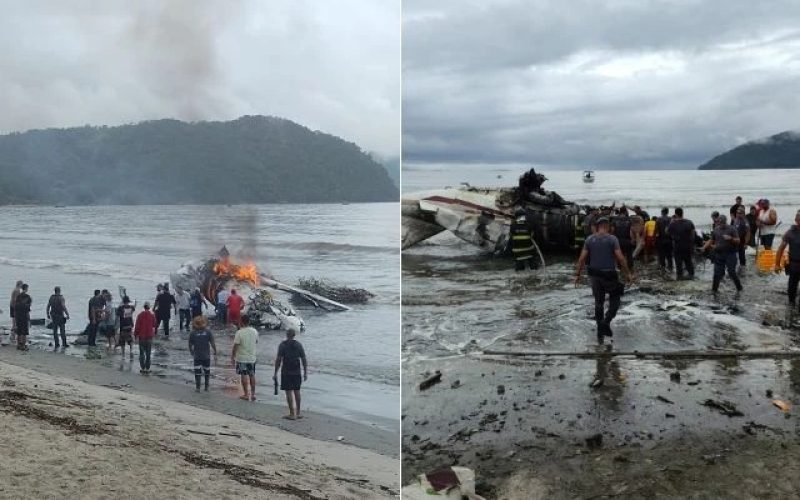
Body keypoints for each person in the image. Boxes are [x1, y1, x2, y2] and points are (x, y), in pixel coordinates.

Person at [574, 217, 635, 344]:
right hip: (609, 274)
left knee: (599, 302)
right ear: (607, 226)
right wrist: (628, 273)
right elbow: (620, 258)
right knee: (616, 298)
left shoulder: (589, 239)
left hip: (594, 275)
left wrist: (577, 275)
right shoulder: (612, 239)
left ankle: (599, 332)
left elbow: (581, 259)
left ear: (597, 226)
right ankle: (606, 322)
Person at [702, 215, 743, 294]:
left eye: (722, 222)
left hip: (730, 254)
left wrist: (731, 238)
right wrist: (704, 247)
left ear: (725, 221)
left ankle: (739, 287)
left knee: (731, 272)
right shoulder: (716, 229)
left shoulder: (732, 229)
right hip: (719, 254)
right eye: (719, 222)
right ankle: (714, 290)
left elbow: (738, 240)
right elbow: (711, 240)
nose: (720, 224)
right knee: (717, 273)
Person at [274, 327, 307, 420]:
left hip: (286, 372)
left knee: (288, 392)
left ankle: (292, 413)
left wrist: (275, 372)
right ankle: (298, 412)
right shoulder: (299, 345)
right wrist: (305, 372)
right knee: (297, 391)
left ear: (287, 335)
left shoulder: (282, 345)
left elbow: (278, 360)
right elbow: (304, 359)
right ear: (294, 335)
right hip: (297, 371)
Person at [775, 210, 800, 309]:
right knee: (791, 288)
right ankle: (791, 306)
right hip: (794, 264)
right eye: (799, 218)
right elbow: (780, 249)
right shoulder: (790, 233)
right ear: (796, 220)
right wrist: (777, 264)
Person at [232, 315, 258, 401]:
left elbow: (235, 346)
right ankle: (253, 394)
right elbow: (256, 342)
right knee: (252, 375)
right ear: (249, 322)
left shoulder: (239, 332)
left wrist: (232, 356)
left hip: (242, 358)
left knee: (243, 375)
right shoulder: (254, 331)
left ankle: (246, 394)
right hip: (252, 357)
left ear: (241, 322)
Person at [188, 316, 216, 392]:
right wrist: (215, 351)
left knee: (197, 372)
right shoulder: (208, 332)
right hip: (206, 356)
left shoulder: (193, 333)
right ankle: (206, 387)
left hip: (197, 356)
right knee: (207, 371)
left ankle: (198, 387)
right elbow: (212, 342)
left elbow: (190, 344)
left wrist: (191, 351)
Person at [669, 207, 696, 280]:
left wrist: (671, 221)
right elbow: (693, 235)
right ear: (682, 213)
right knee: (688, 262)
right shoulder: (689, 222)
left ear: (675, 214)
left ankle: (680, 278)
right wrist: (691, 244)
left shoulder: (673, 224)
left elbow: (667, 232)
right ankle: (692, 277)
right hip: (687, 246)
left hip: (677, 246)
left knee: (678, 264)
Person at [134, 302, 156, 374]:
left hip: (141, 336)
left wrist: (135, 335)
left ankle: (142, 368)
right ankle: (147, 368)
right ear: (149, 307)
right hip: (149, 336)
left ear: (144, 307)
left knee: (142, 353)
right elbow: (154, 325)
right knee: (148, 353)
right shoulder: (152, 315)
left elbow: (137, 326)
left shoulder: (140, 315)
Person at [655, 207, 673, 272]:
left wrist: (654, 239)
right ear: (667, 212)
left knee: (661, 255)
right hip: (669, 240)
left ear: (662, 212)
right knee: (669, 255)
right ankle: (670, 267)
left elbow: (656, 230)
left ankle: (663, 268)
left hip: (661, 239)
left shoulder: (658, 219)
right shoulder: (671, 219)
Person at [732, 207, 751, 272]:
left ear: (743, 214)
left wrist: (746, 243)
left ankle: (743, 270)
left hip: (741, 241)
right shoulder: (736, 220)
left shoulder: (745, 222)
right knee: (734, 256)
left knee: (741, 256)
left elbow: (748, 233)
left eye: (740, 213)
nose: (738, 214)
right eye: (737, 213)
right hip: (735, 241)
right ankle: (735, 268)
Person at [14, 284, 32, 351]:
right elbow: (28, 309)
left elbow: (15, 307)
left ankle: (19, 344)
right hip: (24, 315)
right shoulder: (28, 297)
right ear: (26, 288)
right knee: (24, 331)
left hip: (18, 315)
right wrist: (29, 319)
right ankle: (23, 345)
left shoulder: (18, 296)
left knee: (19, 330)